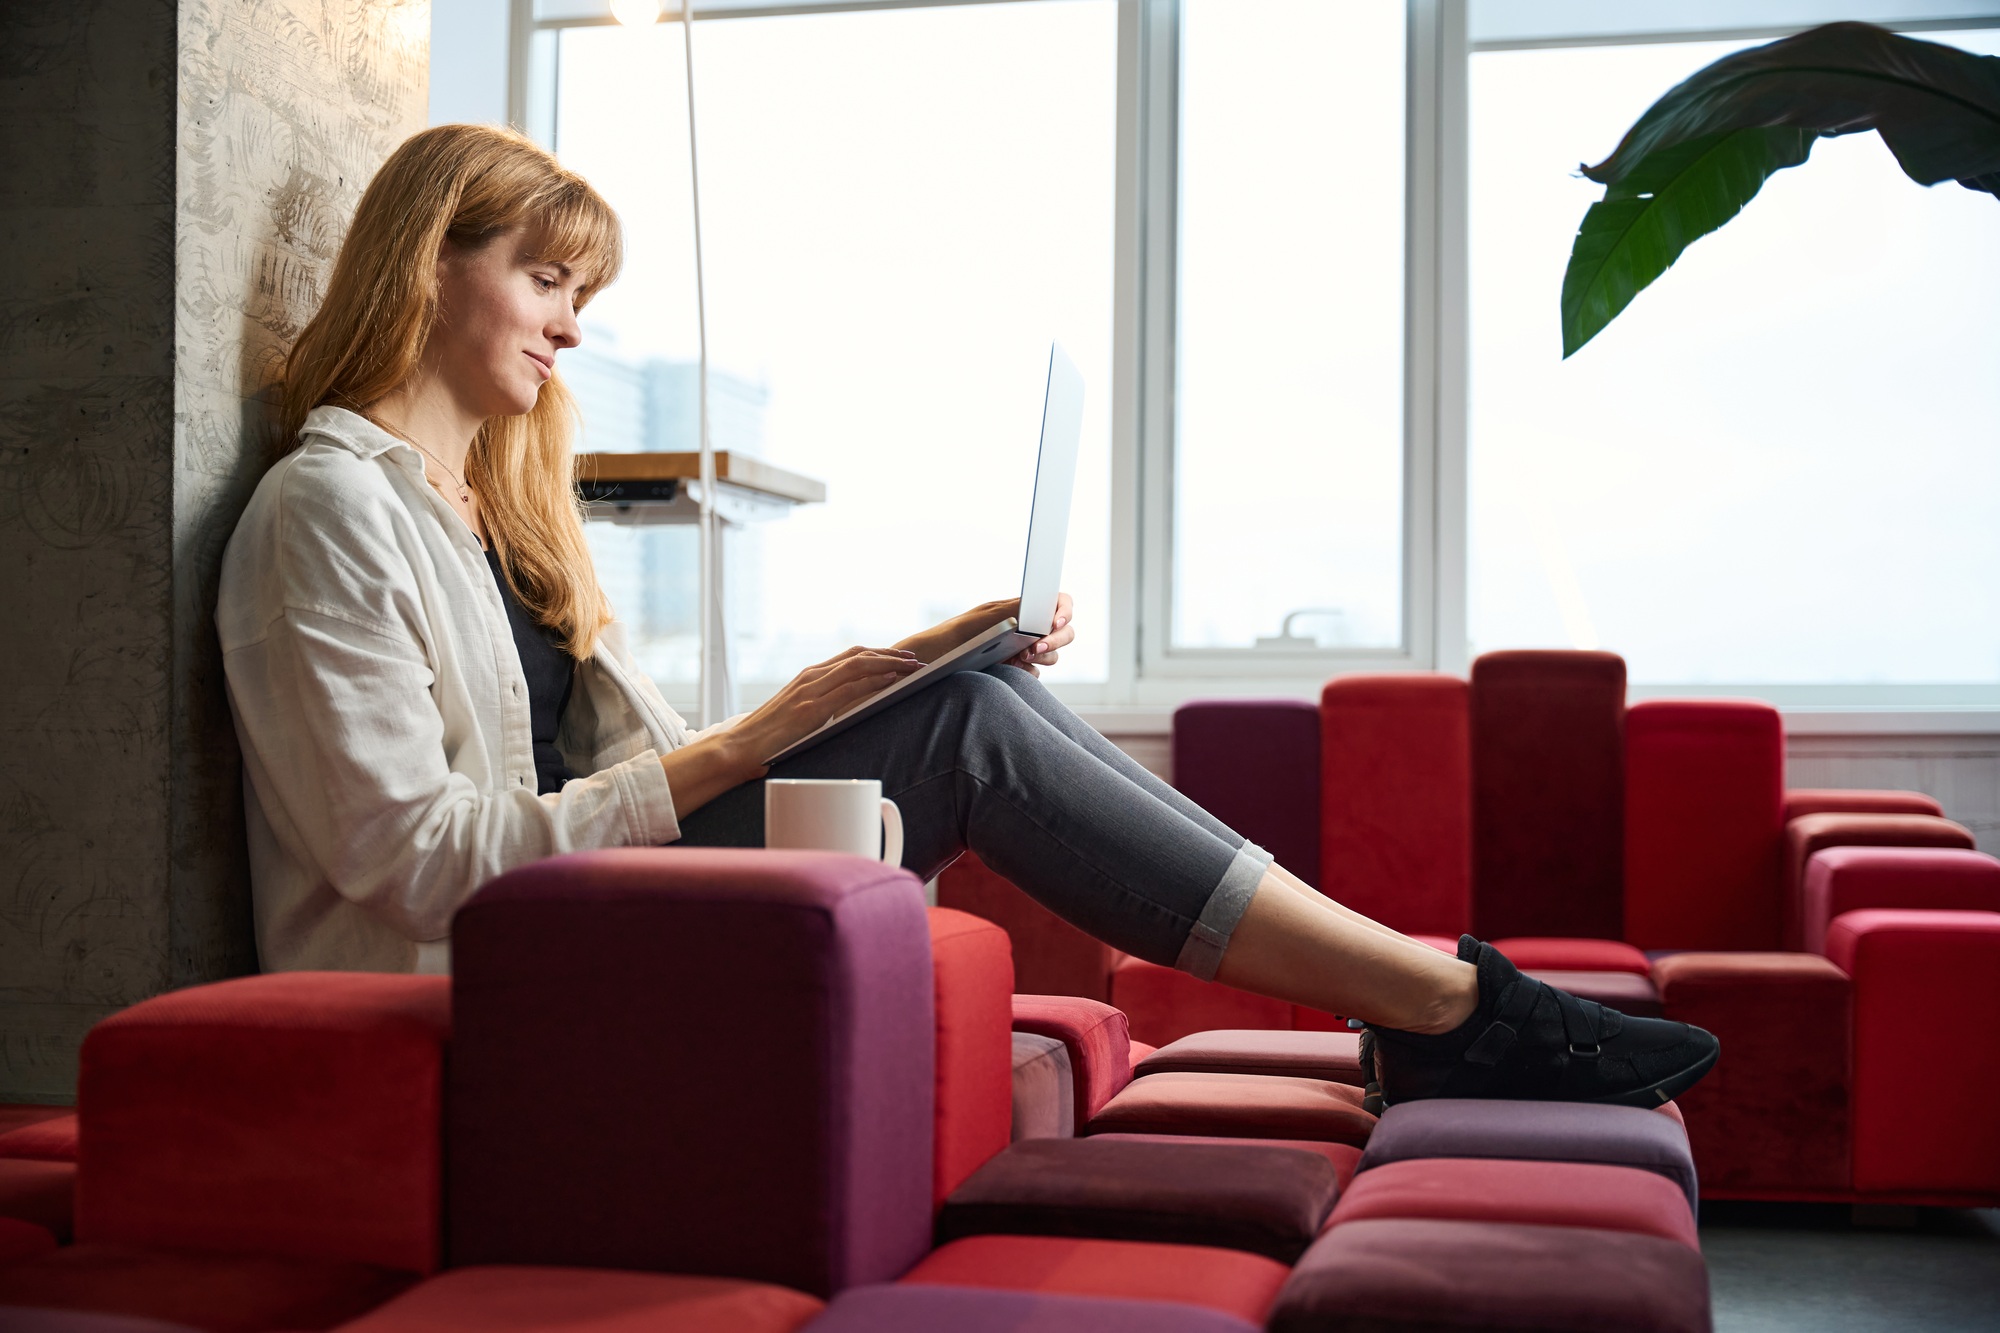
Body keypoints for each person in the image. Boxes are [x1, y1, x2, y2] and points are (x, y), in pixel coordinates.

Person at [217, 124, 1717, 1109]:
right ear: (431, 264)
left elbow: (626, 774)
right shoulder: (328, 513)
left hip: (581, 919)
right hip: (496, 966)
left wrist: (855, 682)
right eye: (544, 279)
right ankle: (1449, 1004)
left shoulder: (504, 516)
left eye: (577, 290)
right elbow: (405, 859)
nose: (571, 323)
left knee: (973, 698)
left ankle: (1434, 1002)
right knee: (966, 727)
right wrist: (763, 734)